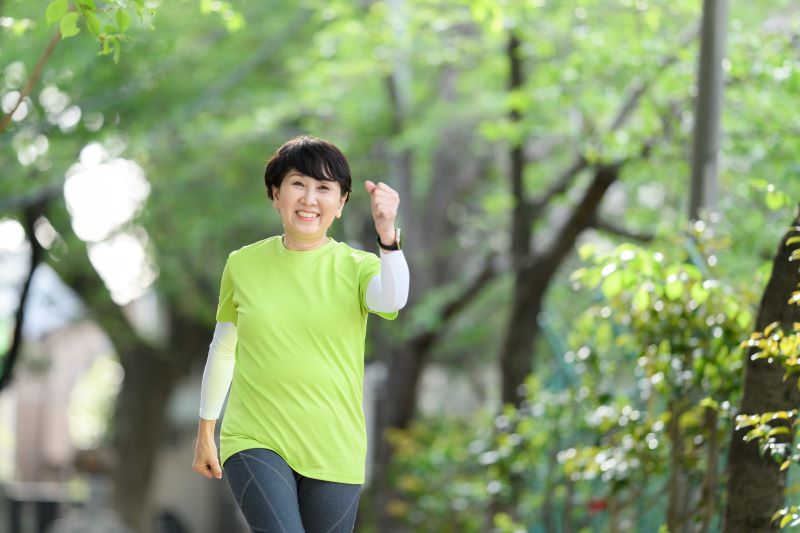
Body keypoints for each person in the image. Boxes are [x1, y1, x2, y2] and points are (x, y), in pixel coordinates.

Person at [191, 135, 409, 533]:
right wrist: (206, 431)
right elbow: (223, 350)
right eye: (298, 184)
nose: (310, 199)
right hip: (255, 437)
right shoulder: (242, 264)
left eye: (324, 188)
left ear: (341, 203)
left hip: (335, 447)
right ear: (276, 194)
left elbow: (392, 299)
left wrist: (388, 235)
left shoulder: (358, 267)